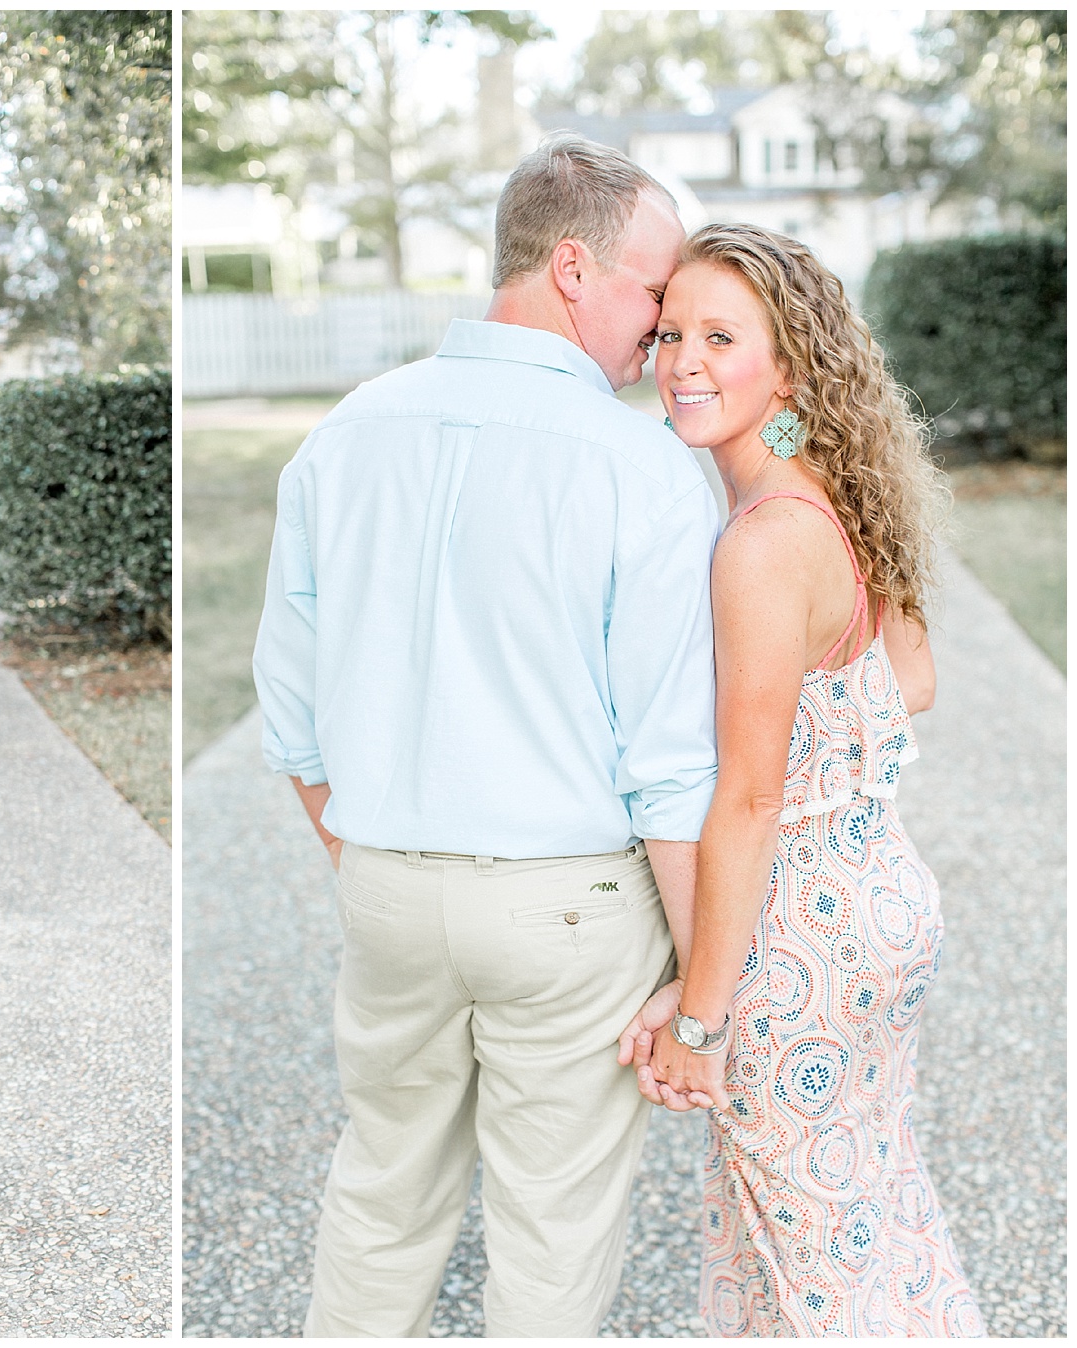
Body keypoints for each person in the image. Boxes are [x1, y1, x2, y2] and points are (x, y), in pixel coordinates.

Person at [253, 133, 720, 1337]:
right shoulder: (644, 467)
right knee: (550, 1240)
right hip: (571, 909)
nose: (661, 331)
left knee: (380, 1189)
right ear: (575, 266)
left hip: (388, 886)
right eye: (655, 295)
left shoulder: (347, 431)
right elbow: (669, 767)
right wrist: (704, 988)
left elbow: (291, 708)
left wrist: (368, 858)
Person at [636, 223, 986, 1336]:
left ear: (784, 366)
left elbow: (748, 797)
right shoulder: (841, 497)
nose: (682, 359)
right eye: (668, 332)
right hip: (881, 903)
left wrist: (699, 1017)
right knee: (857, 1228)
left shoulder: (760, 542)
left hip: (796, 948)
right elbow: (913, 678)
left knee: (820, 1276)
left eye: (719, 337)